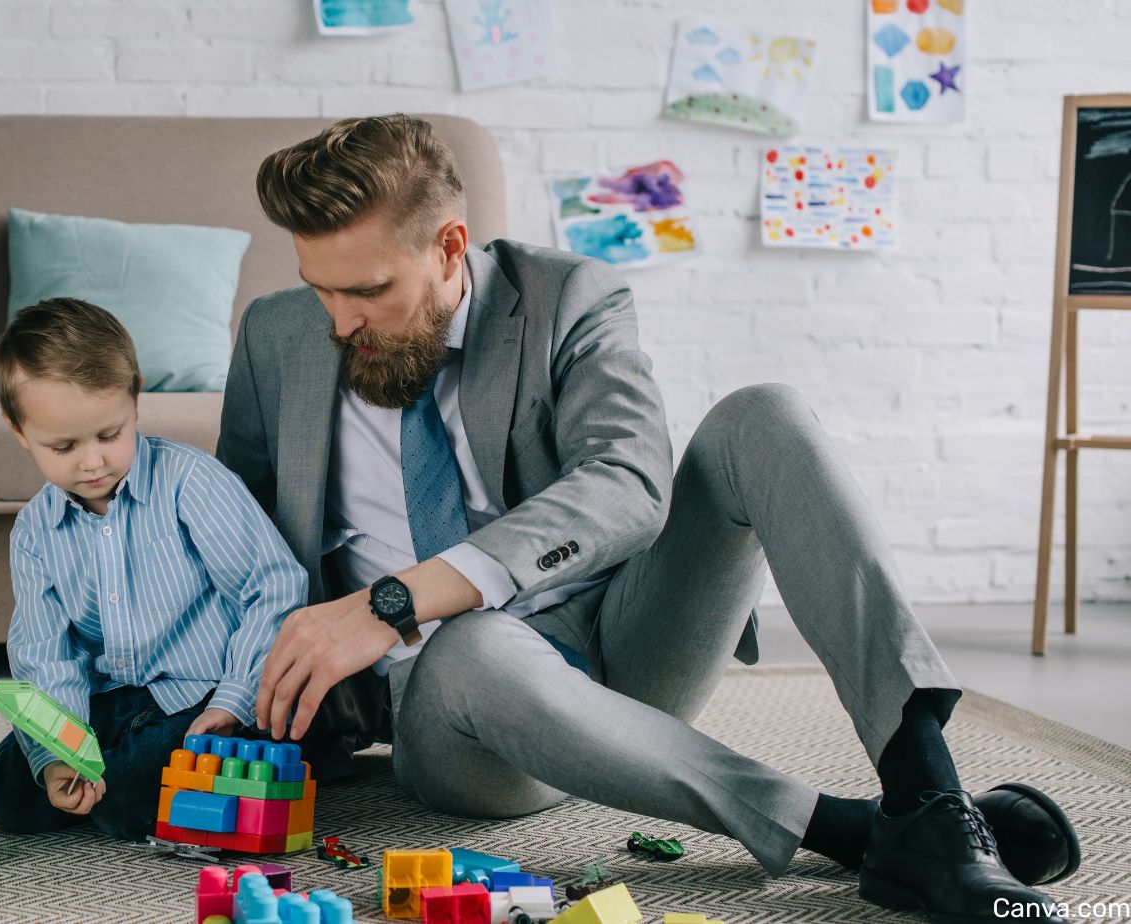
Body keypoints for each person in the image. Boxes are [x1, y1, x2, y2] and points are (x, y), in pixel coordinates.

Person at [218, 114, 1079, 922]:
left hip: (623, 639)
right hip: (456, 709)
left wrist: (392, 600)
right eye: (319, 289)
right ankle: (847, 831)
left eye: (368, 289)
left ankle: (927, 796)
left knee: (763, 416)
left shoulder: (566, 297)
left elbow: (628, 480)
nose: (340, 322)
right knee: (473, 640)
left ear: (449, 247)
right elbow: (233, 537)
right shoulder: (276, 337)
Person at [0, 297, 306, 841]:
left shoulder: (192, 484)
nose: (92, 462)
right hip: (115, 701)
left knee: (130, 791)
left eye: (108, 435)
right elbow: (46, 655)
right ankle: (103, 785)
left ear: (135, 404)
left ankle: (139, 786)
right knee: (6, 790)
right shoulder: (35, 531)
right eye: (63, 446)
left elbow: (273, 588)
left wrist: (235, 698)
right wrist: (62, 752)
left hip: (205, 694)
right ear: (19, 431)